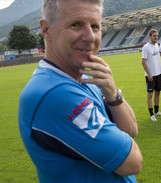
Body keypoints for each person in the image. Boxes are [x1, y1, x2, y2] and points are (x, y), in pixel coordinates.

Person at [18, 0, 142, 182]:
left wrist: (113, 94)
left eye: (95, 26)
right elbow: (132, 162)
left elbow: (131, 130)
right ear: (46, 30)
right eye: (76, 24)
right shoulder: (54, 93)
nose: (90, 36)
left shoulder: (86, 77)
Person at [142, 29, 161, 122]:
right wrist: (149, 74)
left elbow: (160, 54)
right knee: (150, 95)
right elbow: (143, 62)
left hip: (158, 73)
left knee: (158, 93)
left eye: (157, 36)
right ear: (150, 36)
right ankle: (151, 114)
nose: (156, 37)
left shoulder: (156, 45)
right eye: (154, 36)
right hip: (150, 75)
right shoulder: (146, 47)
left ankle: (157, 111)